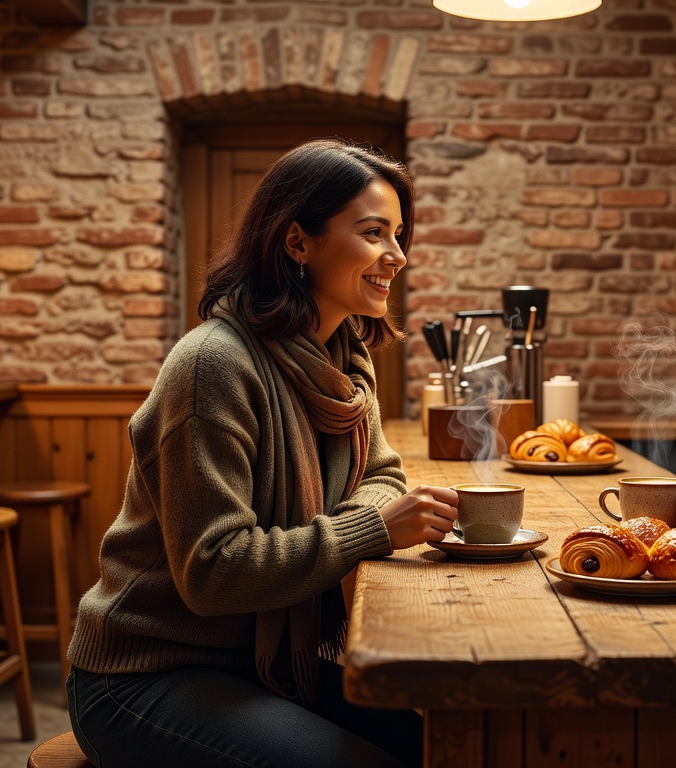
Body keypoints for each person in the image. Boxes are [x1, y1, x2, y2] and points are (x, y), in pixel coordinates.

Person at [66, 140, 459, 768]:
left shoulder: (345, 361)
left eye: (399, 234)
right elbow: (214, 571)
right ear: (297, 242)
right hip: (142, 678)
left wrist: (375, 515)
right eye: (373, 233)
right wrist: (372, 529)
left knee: (449, 746)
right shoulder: (214, 366)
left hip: (263, 663)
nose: (398, 256)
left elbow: (383, 472)